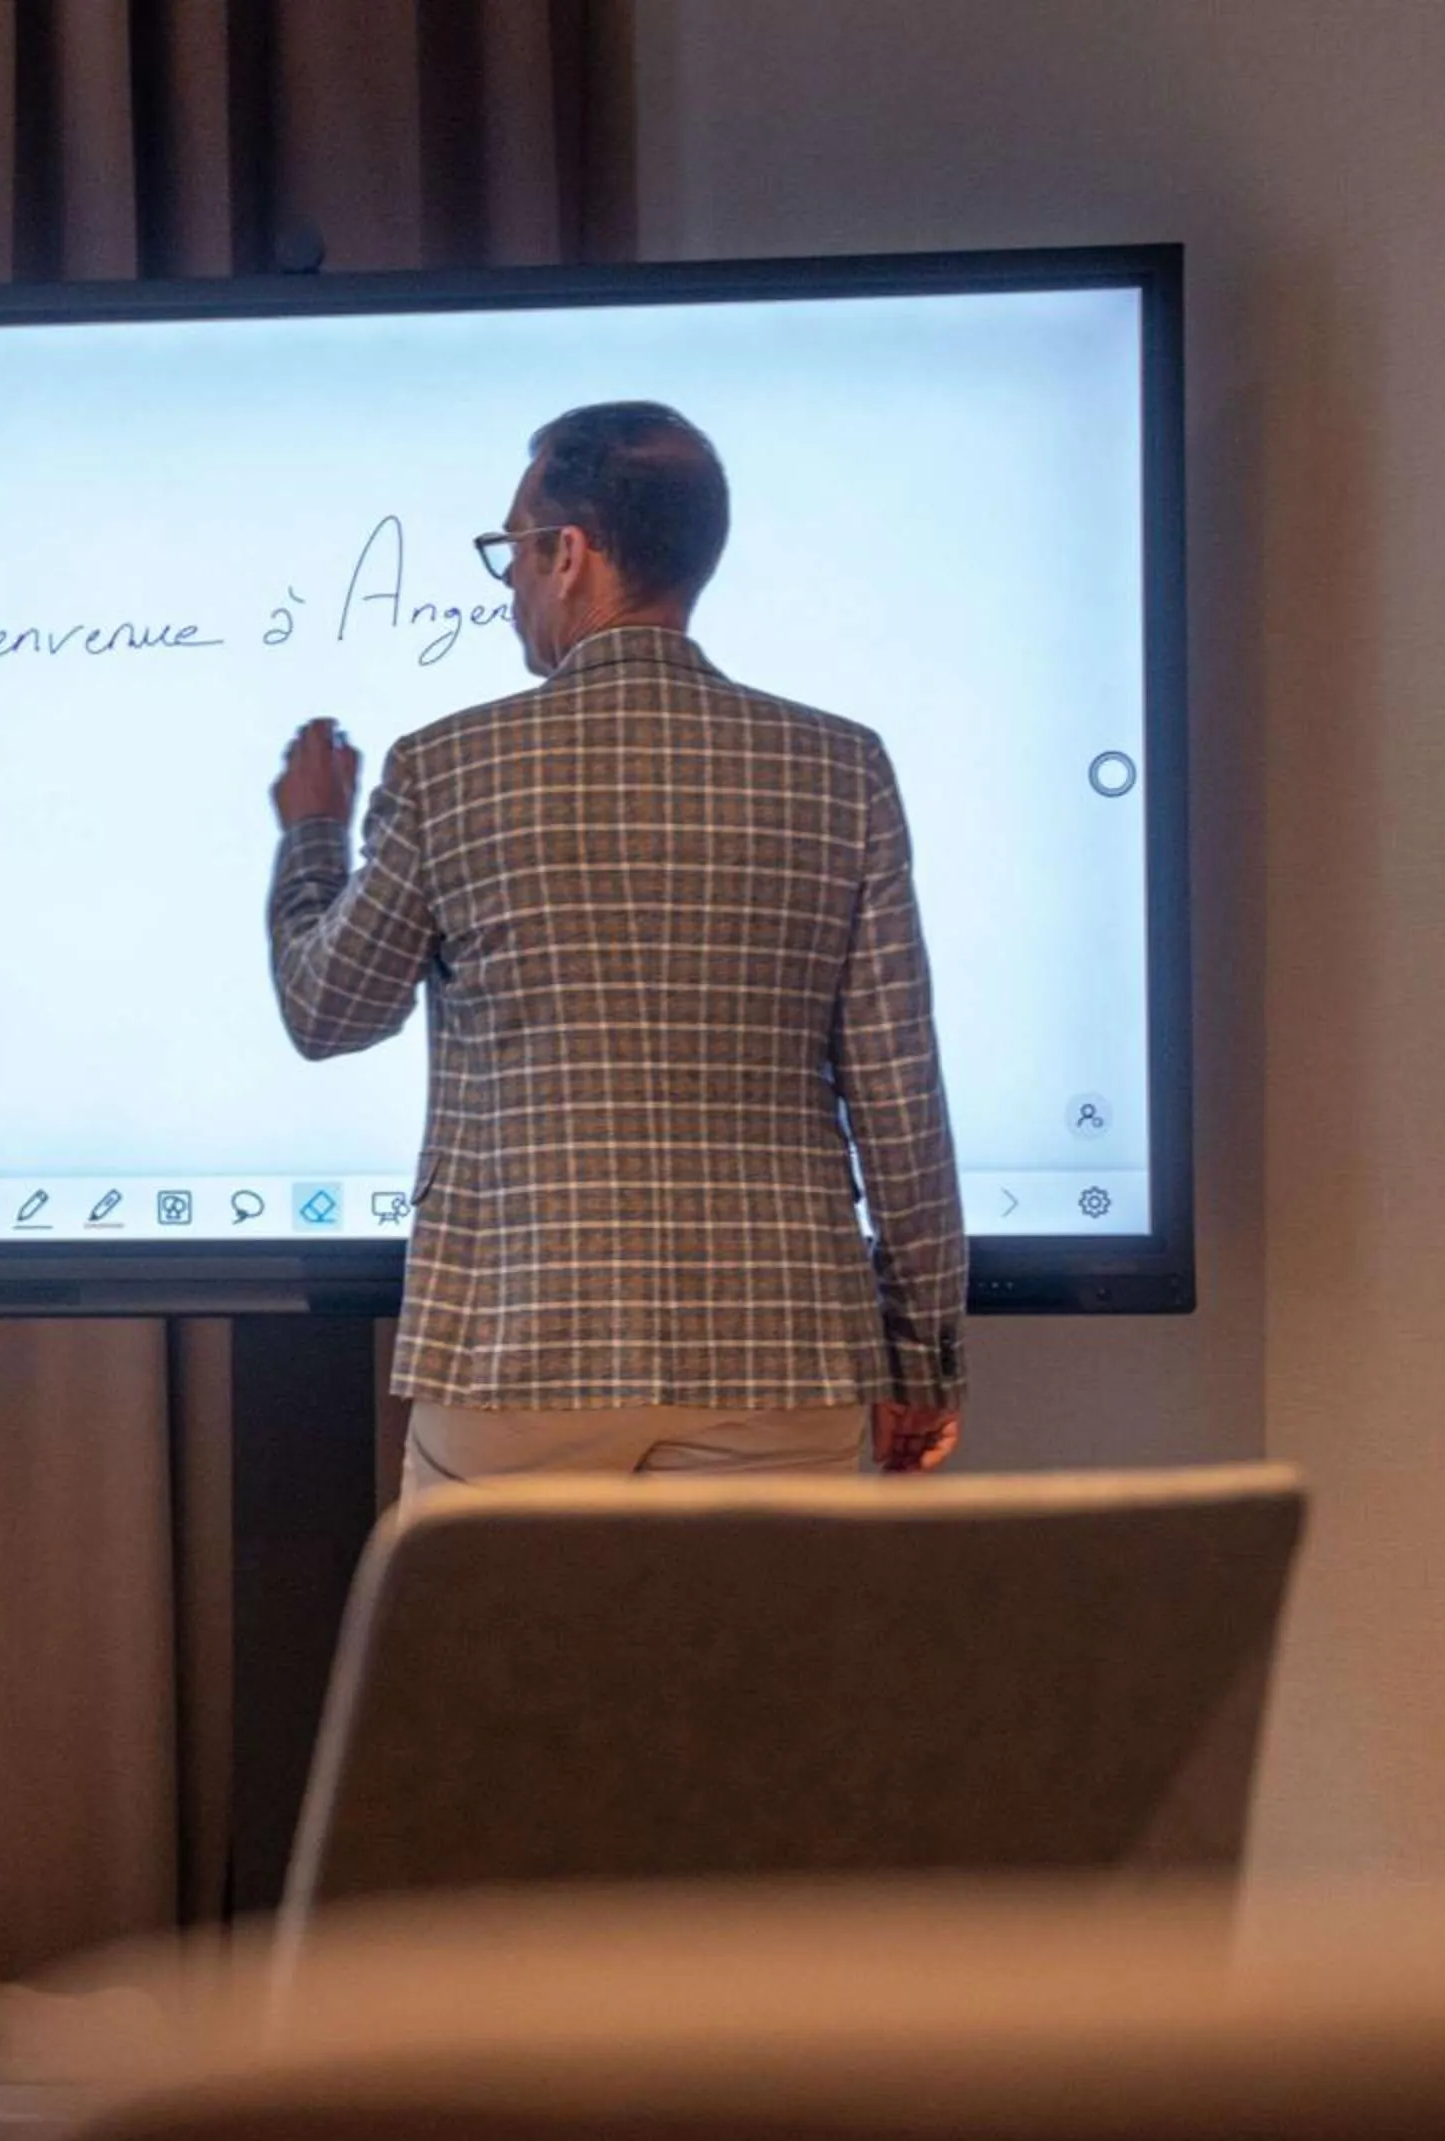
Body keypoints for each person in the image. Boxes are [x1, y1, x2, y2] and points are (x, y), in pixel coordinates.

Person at [267, 402, 966, 1486]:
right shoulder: (842, 767)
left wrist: (313, 835)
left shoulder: (448, 769)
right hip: (781, 1357)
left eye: (511, 547)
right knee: (763, 1616)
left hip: (516, 1345)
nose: (507, 582)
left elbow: (329, 1012)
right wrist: (922, 1355)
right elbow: (897, 1094)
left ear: (569, 553)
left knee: (487, 1614)